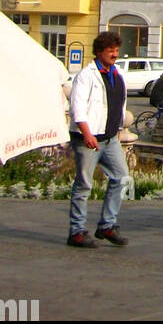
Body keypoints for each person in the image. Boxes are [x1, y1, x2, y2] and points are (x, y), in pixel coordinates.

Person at [67, 31, 130, 249]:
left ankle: (107, 225)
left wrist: (118, 131)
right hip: (88, 138)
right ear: (99, 52)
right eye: (110, 50)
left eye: (116, 50)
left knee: (121, 178)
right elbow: (77, 107)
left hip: (110, 137)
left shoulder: (116, 74)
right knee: (84, 184)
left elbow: (118, 105)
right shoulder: (86, 75)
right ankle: (76, 231)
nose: (115, 54)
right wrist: (86, 133)